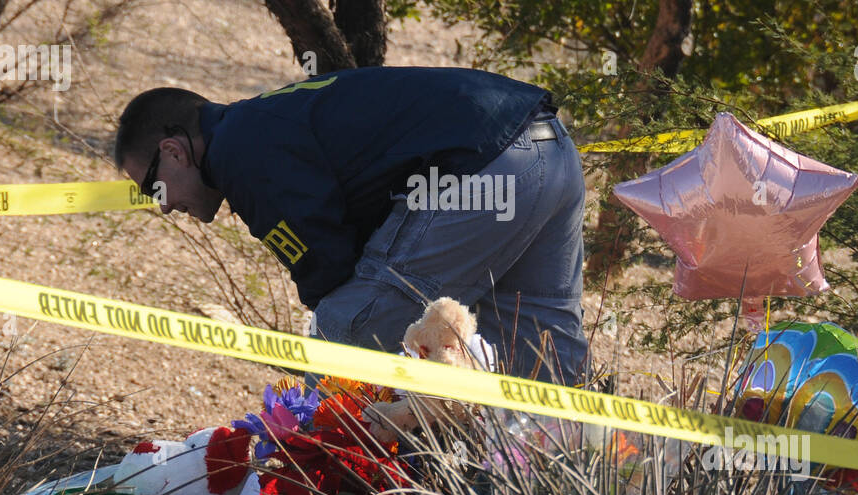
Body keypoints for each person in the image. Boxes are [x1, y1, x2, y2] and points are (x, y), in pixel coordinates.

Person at [113, 65, 590, 383]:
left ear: (174, 151)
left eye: (153, 188)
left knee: (340, 336)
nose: (163, 207)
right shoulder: (259, 124)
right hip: (552, 148)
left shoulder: (238, 150)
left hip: (486, 165)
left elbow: (331, 272)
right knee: (543, 355)